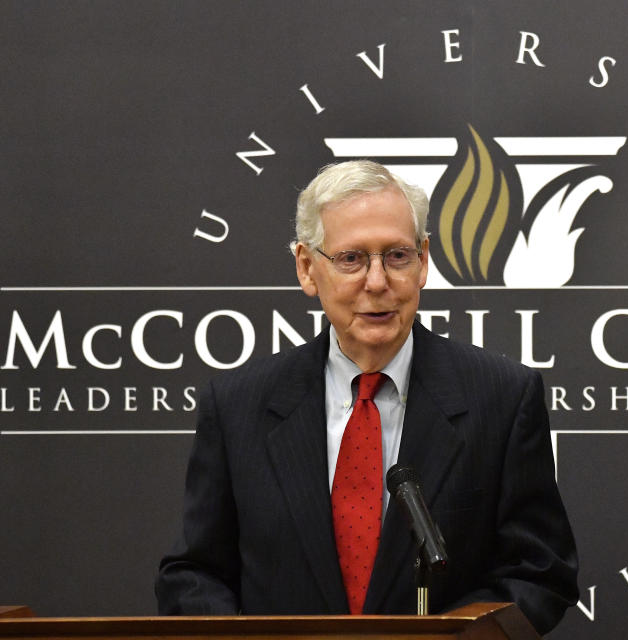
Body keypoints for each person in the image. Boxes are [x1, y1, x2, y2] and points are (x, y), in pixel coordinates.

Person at [155, 160, 579, 634]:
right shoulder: (238, 405)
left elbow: (540, 574)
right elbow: (193, 576)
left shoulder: (501, 398)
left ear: (424, 262)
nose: (377, 282)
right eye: (351, 259)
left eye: (397, 256)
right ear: (306, 268)